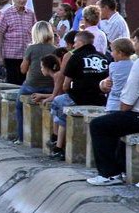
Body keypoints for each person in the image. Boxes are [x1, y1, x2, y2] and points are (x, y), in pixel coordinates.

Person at [45, 30, 109, 160]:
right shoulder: (103, 57)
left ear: (81, 42)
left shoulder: (75, 57)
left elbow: (65, 85)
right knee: (62, 106)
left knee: (58, 102)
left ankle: (56, 141)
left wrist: (71, 91)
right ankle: (57, 143)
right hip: (101, 99)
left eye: (75, 42)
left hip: (79, 98)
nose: (73, 45)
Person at [88, 29, 139, 185]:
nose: (134, 45)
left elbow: (128, 100)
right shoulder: (134, 62)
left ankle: (109, 174)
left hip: (137, 115)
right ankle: (121, 168)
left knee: (99, 125)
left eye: (136, 41)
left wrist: (123, 109)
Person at [14, 21, 57, 142]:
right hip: (51, 86)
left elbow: (23, 69)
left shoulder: (31, 48)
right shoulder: (55, 49)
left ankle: (21, 137)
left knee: (18, 105)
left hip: (32, 86)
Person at [0, 0, 36, 84]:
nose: (21, 0)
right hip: (11, 55)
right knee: (12, 83)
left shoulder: (30, 14)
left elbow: (34, 32)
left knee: (24, 82)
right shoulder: (6, 13)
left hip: (26, 55)